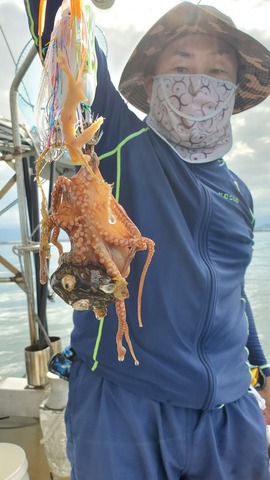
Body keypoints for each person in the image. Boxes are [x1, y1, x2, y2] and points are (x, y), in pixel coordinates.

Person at [25, 2, 270, 479]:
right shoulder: (117, 141)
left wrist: (262, 369)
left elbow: (232, 293)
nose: (199, 83)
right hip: (123, 406)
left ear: (234, 89)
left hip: (230, 412)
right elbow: (65, 37)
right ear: (153, 81)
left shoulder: (240, 193)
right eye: (181, 66)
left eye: (217, 70)